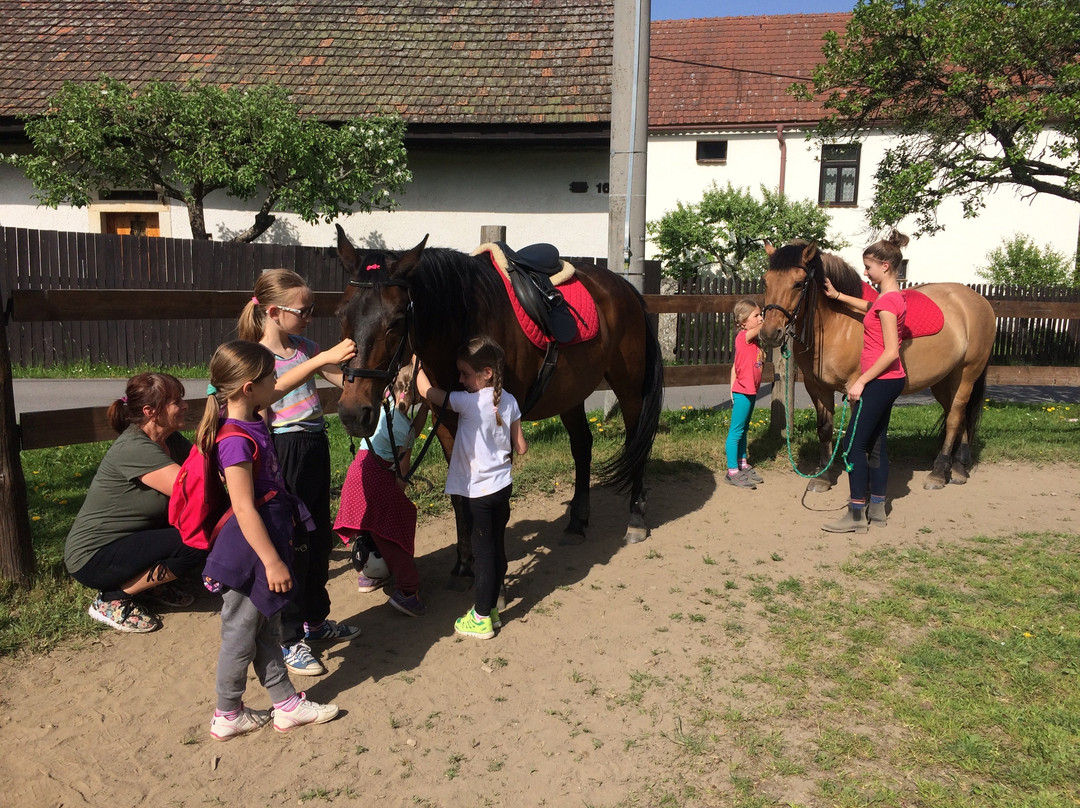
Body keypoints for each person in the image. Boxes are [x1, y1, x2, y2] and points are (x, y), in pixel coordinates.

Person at [200, 340, 340, 740]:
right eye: (269, 376)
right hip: (249, 556)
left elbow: (280, 389)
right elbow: (244, 508)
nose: (276, 381)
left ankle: (285, 704)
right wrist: (273, 562)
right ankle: (227, 712)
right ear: (248, 387)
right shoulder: (234, 440)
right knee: (240, 636)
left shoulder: (253, 416)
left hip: (267, 545)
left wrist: (321, 360)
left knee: (266, 628)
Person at [237, 269, 358, 677]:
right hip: (282, 448)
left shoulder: (304, 346)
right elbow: (271, 393)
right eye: (302, 311)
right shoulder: (255, 356)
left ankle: (316, 620)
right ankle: (289, 638)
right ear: (273, 312)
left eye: (311, 310)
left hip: (313, 444)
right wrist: (322, 359)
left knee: (319, 535)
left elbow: (343, 380)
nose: (309, 317)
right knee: (293, 541)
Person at [64, 373, 205, 633]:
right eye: (176, 401)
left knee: (197, 529)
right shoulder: (135, 448)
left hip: (130, 541)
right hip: (93, 556)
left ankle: (152, 584)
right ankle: (113, 598)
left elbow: (203, 469)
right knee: (196, 541)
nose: (185, 405)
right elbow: (194, 490)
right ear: (150, 411)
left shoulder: (170, 440)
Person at [415, 336, 528, 640]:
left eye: (465, 374)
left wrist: (415, 364)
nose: (461, 380)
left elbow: (427, 392)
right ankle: (490, 608)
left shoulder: (466, 402)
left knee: (482, 554)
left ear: (487, 372)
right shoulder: (511, 401)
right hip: (502, 488)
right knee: (496, 546)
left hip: (477, 493)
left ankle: (480, 616)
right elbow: (521, 447)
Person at [821, 230, 909, 532]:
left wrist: (861, 382)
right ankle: (877, 509)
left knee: (852, 446)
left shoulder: (887, 303)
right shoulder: (891, 298)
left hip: (879, 381)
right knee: (876, 446)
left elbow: (891, 352)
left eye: (869, 267)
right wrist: (838, 297)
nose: (866, 273)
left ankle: (856, 513)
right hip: (891, 381)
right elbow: (871, 309)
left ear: (885, 266)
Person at [334, 360, 430, 616]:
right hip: (378, 477)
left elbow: (410, 429)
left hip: (358, 471)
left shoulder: (383, 406)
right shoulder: (403, 430)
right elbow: (402, 475)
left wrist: (425, 410)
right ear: (411, 393)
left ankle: (369, 573)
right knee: (394, 530)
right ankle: (408, 590)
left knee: (371, 526)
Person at [725, 298, 765, 490]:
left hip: (749, 391)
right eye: (756, 316)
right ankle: (732, 471)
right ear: (742, 322)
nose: (760, 318)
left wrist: (731, 385)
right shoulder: (744, 337)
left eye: (761, 315)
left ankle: (742, 464)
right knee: (736, 432)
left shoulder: (755, 342)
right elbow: (764, 328)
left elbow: (735, 365)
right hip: (743, 392)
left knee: (744, 430)